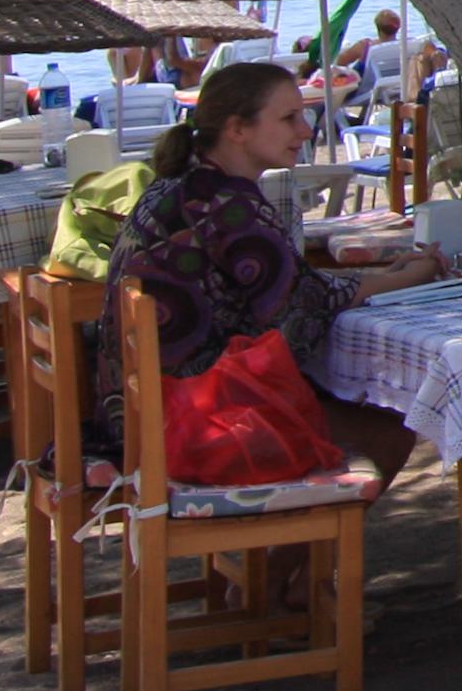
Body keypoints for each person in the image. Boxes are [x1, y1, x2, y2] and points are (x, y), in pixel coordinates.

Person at [94, 60, 442, 476]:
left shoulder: (178, 184)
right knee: (388, 432)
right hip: (194, 420)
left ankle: (311, 521)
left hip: (137, 411)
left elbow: (289, 282)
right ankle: (307, 522)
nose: (305, 131)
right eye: (289, 118)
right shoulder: (228, 204)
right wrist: (413, 278)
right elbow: (300, 306)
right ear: (237, 129)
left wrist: (385, 278)